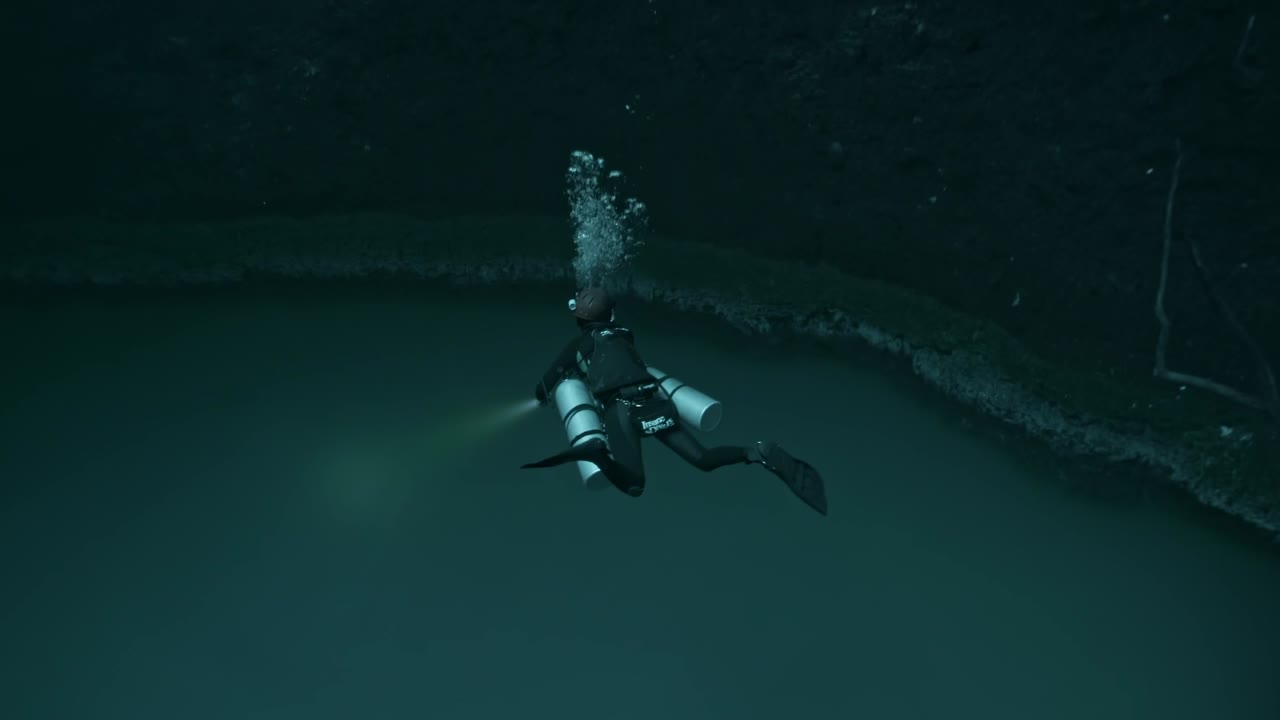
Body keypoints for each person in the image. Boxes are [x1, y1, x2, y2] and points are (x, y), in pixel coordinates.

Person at [520, 286, 828, 516]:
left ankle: (596, 454)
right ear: (611, 315)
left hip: (622, 412)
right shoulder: (625, 334)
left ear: (579, 321)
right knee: (704, 460)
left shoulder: (577, 346)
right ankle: (756, 452)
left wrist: (546, 394)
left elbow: (544, 386)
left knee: (634, 486)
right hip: (654, 401)